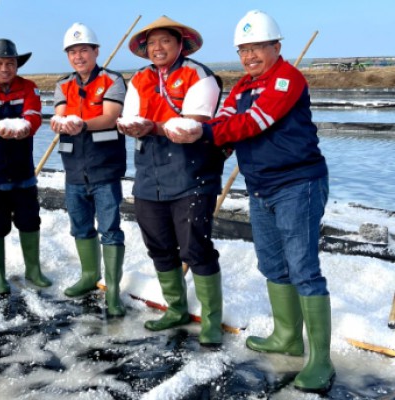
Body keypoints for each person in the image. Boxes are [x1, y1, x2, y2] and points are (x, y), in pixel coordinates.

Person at [194, 10, 334, 393]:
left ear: (276, 46)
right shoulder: (240, 86)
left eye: (257, 47)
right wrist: (203, 134)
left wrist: (202, 132)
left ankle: (320, 359)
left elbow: (252, 123)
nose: (249, 56)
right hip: (259, 187)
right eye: (243, 50)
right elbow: (222, 122)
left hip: (298, 184)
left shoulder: (288, 79)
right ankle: (287, 336)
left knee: (303, 266)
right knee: (272, 263)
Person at [117, 16, 226, 347]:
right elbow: (132, 114)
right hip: (149, 174)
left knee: (195, 247)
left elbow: (194, 125)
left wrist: (152, 127)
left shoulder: (199, 74)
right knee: (159, 245)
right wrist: (130, 126)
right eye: (151, 43)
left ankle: (211, 321)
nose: (157, 48)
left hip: (191, 172)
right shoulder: (139, 78)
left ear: (180, 44)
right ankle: (176, 308)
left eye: (165, 41)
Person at [51, 23, 127, 317]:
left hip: (104, 168)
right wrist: (59, 123)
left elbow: (109, 117)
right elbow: (59, 116)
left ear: (96, 51)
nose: (78, 56)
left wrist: (81, 123)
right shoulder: (63, 84)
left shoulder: (112, 80)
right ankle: (88, 275)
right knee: (80, 226)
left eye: (84, 50)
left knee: (109, 229)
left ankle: (114, 290)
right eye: (72, 51)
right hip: (73, 169)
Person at [0, 39, 52, 295]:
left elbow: (34, 116)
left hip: (21, 169)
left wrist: (25, 127)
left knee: (29, 220)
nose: (4, 68)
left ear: (17, 65)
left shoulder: (29, 87)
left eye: (10, 63)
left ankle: (33, 270)